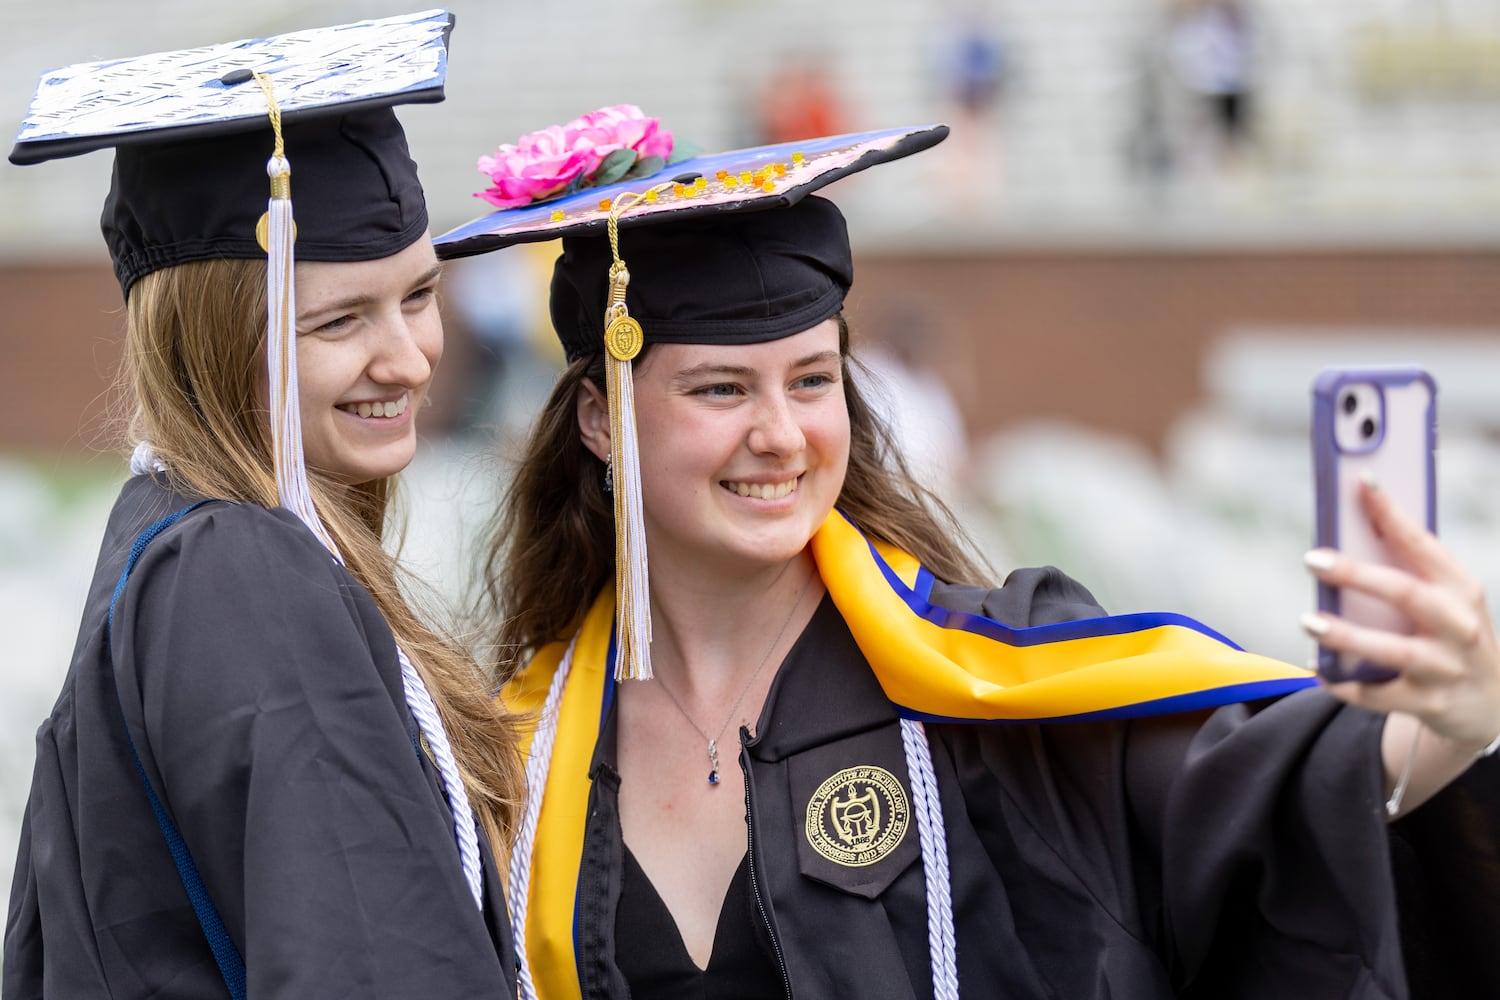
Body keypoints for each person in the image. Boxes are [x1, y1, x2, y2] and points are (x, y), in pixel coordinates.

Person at [437, 115, 1500, 997]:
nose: (780, 433)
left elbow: (1263, 808)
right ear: (598, 416)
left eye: (811, 382)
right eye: (721, 388)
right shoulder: (514, 754)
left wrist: (1446, 722)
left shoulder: (997, 686)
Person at [3, 12, 523, 998]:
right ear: (212, 336)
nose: (410, 357)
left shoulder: (168, 533)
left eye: (418, 296)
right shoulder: (239, 573)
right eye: (339, 319)